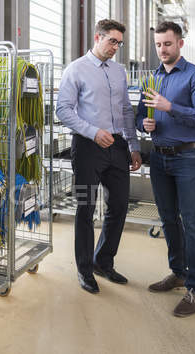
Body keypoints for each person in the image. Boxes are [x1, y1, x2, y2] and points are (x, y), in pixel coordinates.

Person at [136, 21, 195, 316]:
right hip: (159, 158)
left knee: (192, 222)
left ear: (180, 43)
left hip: (188, 159)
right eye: (158, 45)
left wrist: (171, 108)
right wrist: (143, 124)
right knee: (169, 219)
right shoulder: (152, 79)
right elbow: (138, 117)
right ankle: (178, 272)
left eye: (167, 44)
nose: (162, 50)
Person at [56, 19, 142, 294]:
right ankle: (84, 270)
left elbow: (127, 110)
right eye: (112, 41)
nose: (116, 47)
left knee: (118, 206)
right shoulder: (76, 70)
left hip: (117, 147)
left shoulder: (119, 72)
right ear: (97, 37)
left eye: (119, 42)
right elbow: (63, 109)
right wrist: (92, 132)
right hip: (87, 148)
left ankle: (103, 261)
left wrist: (133, 145)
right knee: (85, 208)